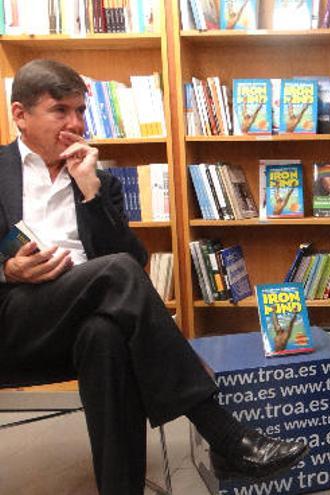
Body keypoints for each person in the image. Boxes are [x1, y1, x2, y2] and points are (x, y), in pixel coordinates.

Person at [0, 59, 308, 494]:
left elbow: (131, 263)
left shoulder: (98, 181)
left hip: (76, 320)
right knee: (114, 276)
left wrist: (89, 191)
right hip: (14, 320)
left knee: (104, 333)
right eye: (60, 111)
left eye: (81, 111)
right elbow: (121, 271)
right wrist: (7, 270)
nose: (75, 124)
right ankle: (223, 434)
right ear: (20, 115)